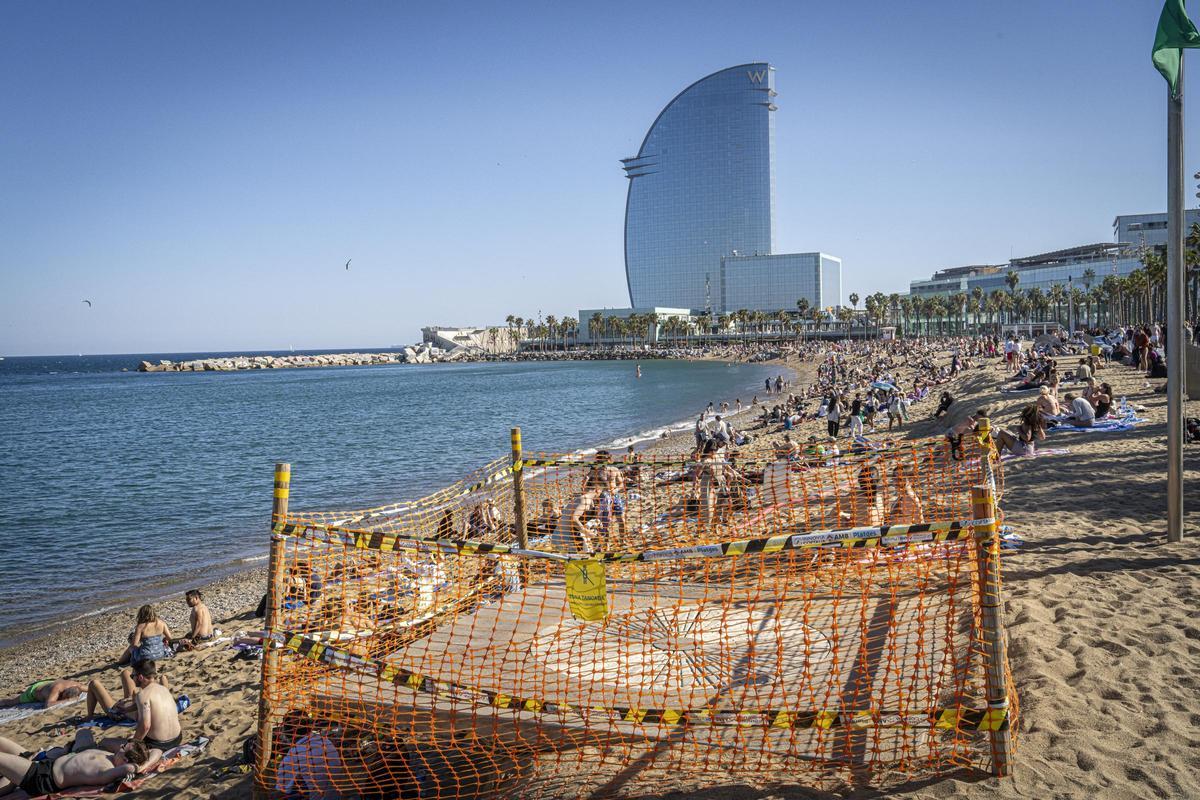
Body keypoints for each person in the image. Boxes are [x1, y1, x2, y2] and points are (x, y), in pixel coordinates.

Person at [0, 731, 153, 797]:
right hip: (44, 764)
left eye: (123, 748)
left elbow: (131, 767)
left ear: (126, 760)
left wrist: (135, 767)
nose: (119, 747)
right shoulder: (110, 756)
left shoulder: (106, 771)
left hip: (41, 777)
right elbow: (154, 752)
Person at [91, 661, 183, 753]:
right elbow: (150, 705)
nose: (132, 679)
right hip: (177, 739)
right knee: (131, 736)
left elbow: (145, 726)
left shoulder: (143, 695)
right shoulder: (164, 689)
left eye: (132, 676)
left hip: (157, 744)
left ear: (140, 677)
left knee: (104, 742)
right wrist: (127, 709)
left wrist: (132, 745)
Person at [0, 678, 85, 709]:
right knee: (12, 701)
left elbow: (92, 686)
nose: (61, 698)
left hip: (49, 683)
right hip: (33, 691)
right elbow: (48, 705)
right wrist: (68, 700)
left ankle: (21, 691)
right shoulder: (57, 689)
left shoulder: (78, 686)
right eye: (62, 697)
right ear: (64, 692)